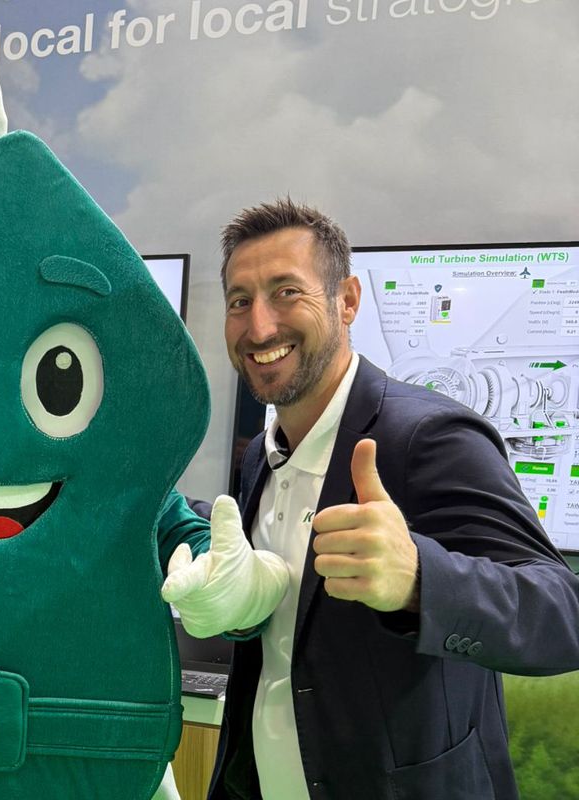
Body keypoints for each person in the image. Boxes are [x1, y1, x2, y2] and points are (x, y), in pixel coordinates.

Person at [187, 198, 579, 799]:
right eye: (241, 301)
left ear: (347, 301)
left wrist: (421, 581)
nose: (260, 326)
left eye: (287, 292)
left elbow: (562, 613)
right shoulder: (256, 456)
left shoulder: (429, 438)